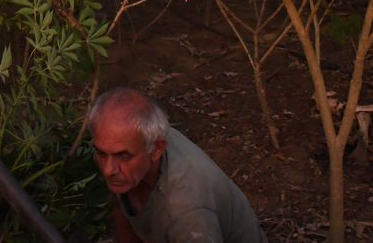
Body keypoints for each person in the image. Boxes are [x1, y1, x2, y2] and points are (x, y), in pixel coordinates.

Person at [88, 88, 265, 243]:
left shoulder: (187, 213)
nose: (108, 169)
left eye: (123, 156)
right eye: (101, 153)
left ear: (157, 149)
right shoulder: (132, 147)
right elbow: (121, 208)